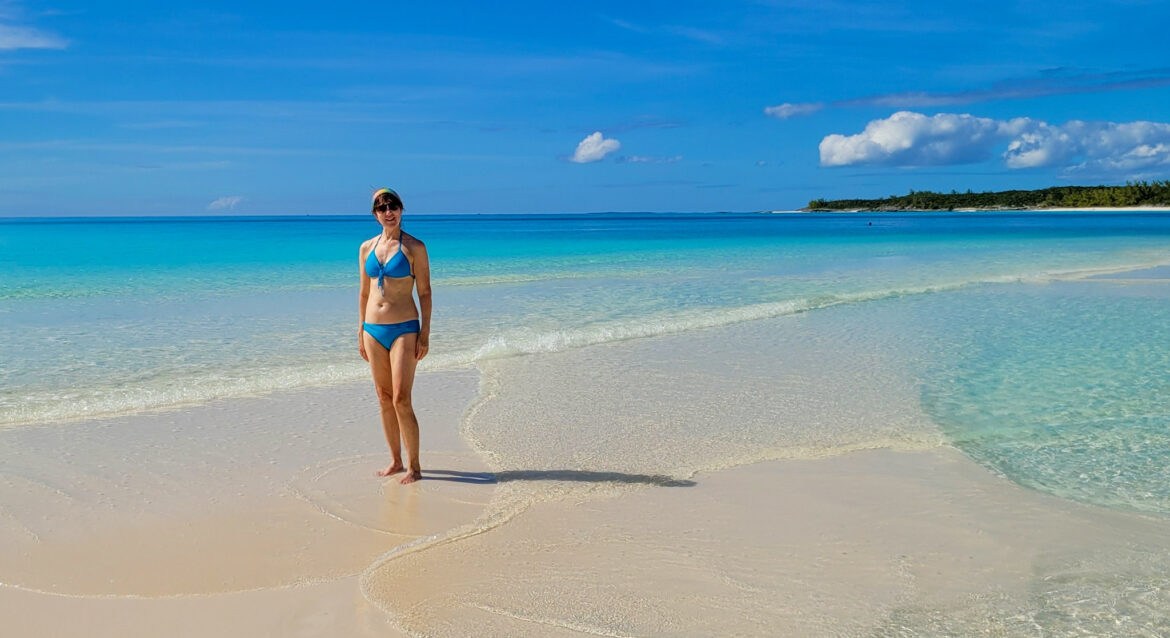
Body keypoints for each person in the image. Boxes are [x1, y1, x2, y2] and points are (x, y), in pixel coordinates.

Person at [358, 188, 431, 484]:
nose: (388, 212)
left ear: (401, 210)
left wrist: (425, 334)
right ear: (375, 214)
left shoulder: (415, 247)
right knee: (384, 398)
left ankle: (415, 467)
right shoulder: (366, 248)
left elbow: (425, 292)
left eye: (393, 206)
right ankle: (396, 461)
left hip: (404, 329)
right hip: (372, 331)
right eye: (382, 208)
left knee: (401, 398)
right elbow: (364, 292)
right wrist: (360, 330)